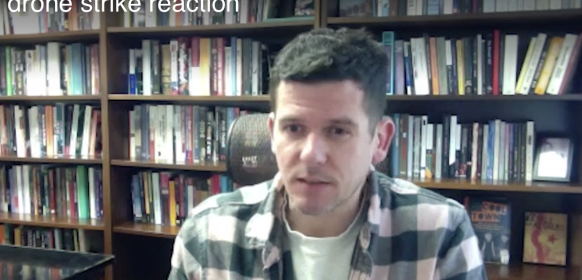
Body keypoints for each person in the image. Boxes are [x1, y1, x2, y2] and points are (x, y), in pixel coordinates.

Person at [168, 27, 487, 280]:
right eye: (293, 128)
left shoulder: (441, 233)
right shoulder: (207, 232)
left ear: (380, 141)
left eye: (338, 131)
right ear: (272, 133)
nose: (311, 155)